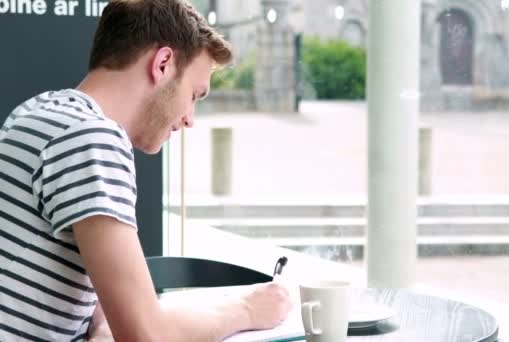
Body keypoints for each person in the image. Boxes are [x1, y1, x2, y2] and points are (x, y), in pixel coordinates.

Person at [0, 0, 292, 341]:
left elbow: (103, 319)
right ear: (163, 63)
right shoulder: (91, 137)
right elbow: (146, 335)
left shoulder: (37, 113)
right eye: (194, 95)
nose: (189, 118)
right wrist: (247, 309)